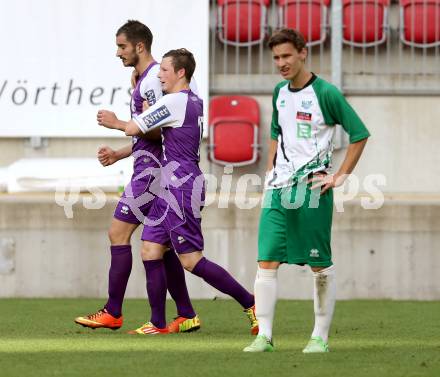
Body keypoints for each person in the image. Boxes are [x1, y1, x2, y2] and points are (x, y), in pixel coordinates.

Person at [103, 48, 258, 335]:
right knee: (150, 248)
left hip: (182, 187)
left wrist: (114, 121)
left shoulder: (175, 101)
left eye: (164, 70)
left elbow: (134, 128)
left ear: (180, 73)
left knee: (190, 260)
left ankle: (251, 302)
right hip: (170, 186)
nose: (159, 75)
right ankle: (158, 323)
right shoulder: (191, 101)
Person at [243, 28, 370, 353]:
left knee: (319, 265)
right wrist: (270, 169)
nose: (281, 63)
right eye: (276, 58)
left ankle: (319, 338)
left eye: (286, 56)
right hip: (277, 190)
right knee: (266, 261)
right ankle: (265, 337)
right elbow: (275, 130)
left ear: (302, 52)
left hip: (312, 191)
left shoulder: (327, 94)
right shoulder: (279, 92)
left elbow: (359, 133)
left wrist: (340, 175)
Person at [74, 20, 200, 334]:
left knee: (119, 234)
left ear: (139, 46)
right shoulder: (142, 78)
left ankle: (113, 311)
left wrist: (120, 123)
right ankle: (185, 312)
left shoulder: (154, 82)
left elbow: (160, 130)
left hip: (153, 173)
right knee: (161, 247)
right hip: (155, 171)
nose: (118, 53)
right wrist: (119, 153)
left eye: (122, 46)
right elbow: (147, 131)